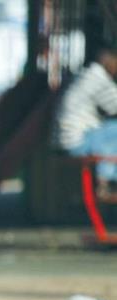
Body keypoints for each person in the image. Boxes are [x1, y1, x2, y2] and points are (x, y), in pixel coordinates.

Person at [53, 46, 117, 194]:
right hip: (76, 140)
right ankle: (106, 180)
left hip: (66, 139)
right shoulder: (97, 78)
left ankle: (107, 179)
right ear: (109, 61)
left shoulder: (85, 74)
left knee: (109, 134)